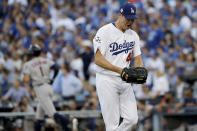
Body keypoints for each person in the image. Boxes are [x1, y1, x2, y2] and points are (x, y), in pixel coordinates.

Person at [93, 3, 144, 131]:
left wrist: (138, 69)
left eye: (132, 19)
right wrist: (119, 70)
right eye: (128, 18)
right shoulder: (104, 32)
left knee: (132, 120)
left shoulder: (133, 35)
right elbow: (98, 59)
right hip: (107, 79)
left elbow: (138, 58)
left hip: (125, 80)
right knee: (112, 124)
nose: (130, 22)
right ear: (119, 15)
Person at [22, 44, 69, 131]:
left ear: (31, 53)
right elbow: (56, 68)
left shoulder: (27, 64)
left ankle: (68, 123)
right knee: (39, 117)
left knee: (53, 113)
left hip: (40, 89)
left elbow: (26, 80)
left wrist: (27, 83)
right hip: (48, 86)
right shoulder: (46, 60)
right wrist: (53, 79)